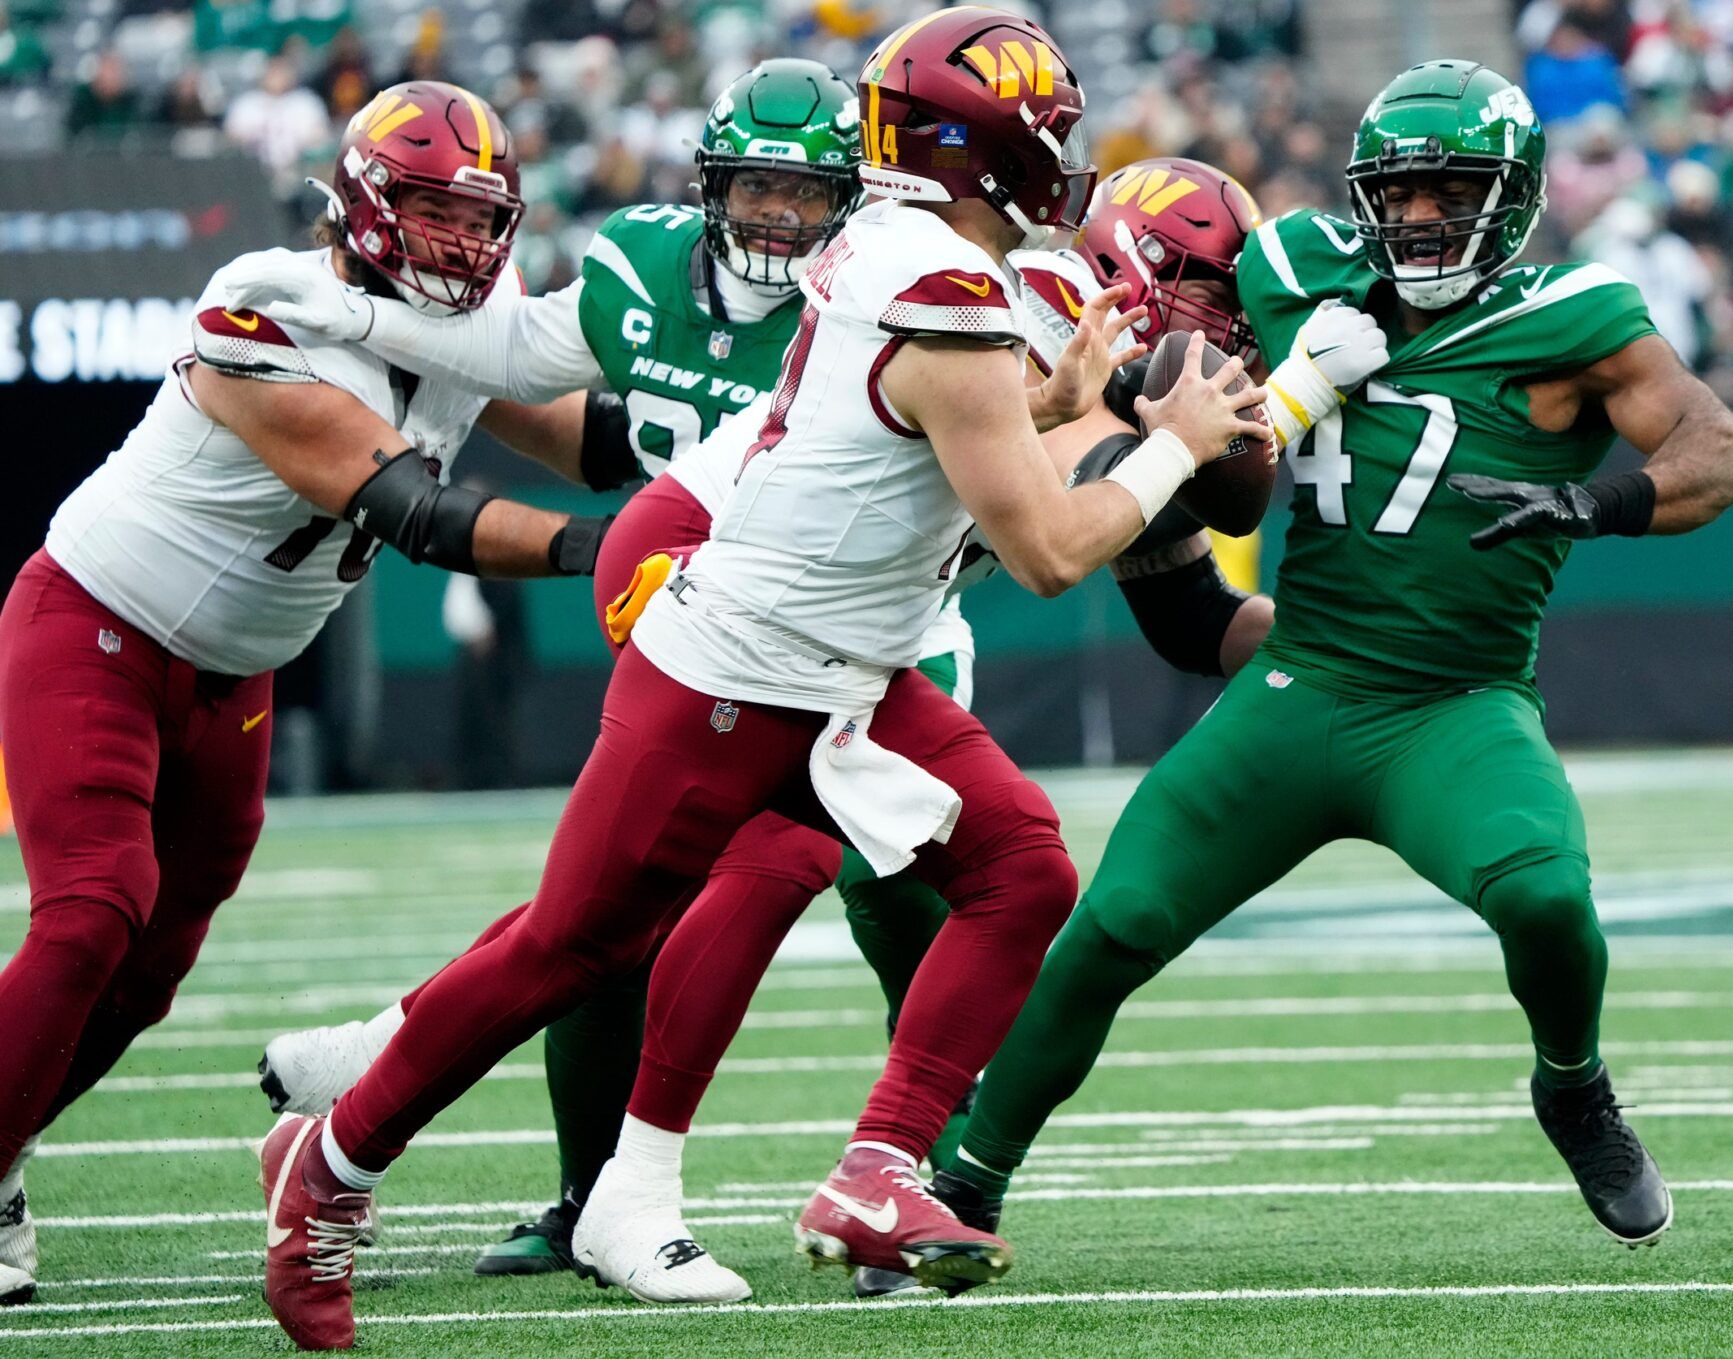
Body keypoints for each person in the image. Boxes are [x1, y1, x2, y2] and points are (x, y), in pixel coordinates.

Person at [248, 10, 1270, 1348]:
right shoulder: (944, 291)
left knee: (1024, 863)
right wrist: (1168, 438)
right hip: (741, 659)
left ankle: (878, 1170)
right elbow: (1045, 549)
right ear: (985, 153)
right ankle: (331, 1163)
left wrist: (1073, 397)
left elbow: (951, 415)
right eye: (1045, 136)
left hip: (831, 655)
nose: (1063, 158)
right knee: (578, 944)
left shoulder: (926, 258)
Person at [940, 59, 1733, 1260]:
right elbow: (1151, 315)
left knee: (1546, 899)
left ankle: (1572, 1083)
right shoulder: (1290, 267)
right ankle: (965, 1184)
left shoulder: (1574, 315)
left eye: (1450, 189)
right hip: (1300, 683)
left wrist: (1598, 504)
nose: (1421, 216)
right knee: (1111, 925)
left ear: (1514, 193)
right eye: (1403, 191)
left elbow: (1725, 451)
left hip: (1457, 704)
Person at [0, 81, 625, 1307]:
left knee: (149, 969)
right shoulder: (267, 304)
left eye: (479, 219)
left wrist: (731, 413)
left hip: (235, 676)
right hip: (97, 626)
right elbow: (415, 510)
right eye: (435, 213)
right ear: (364, 204)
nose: (462, 246)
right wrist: (614, 545)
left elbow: (588, 438)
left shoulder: (462, 317)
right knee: (95, 907)